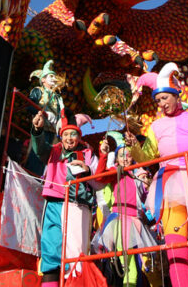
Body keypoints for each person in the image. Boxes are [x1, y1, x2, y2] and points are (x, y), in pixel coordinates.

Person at [124, 63, 188, 287]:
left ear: (175, 95)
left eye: (164, 98)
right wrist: (134, 147)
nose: (161, 104)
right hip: (168, 186)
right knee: (175, 246)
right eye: (158, 100)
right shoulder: (156, 126)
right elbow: (146, 159)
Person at [31, 108, 99, 287]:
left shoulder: (87, 153)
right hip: (54, 204)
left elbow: (99, 179)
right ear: (61, 136)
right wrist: (37, 131)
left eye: (73, 134)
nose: (69, 138)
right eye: (66, 134)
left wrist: (87, 170)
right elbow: (39, 149)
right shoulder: (54, 151)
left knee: (75, 255)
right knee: (51, 250)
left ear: (79, 137)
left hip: (76, 206)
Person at [94, 139, 159, 287]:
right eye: (121, 155)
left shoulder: (137, 174)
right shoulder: (115, 172)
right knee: (126, 262)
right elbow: (98, 177)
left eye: (128, 155)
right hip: (118, 219)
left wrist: (146, 183)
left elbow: (145, 198)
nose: (125, 158)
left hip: (134, 220)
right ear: (116, 159)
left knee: (130, 261)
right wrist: (103, 155)